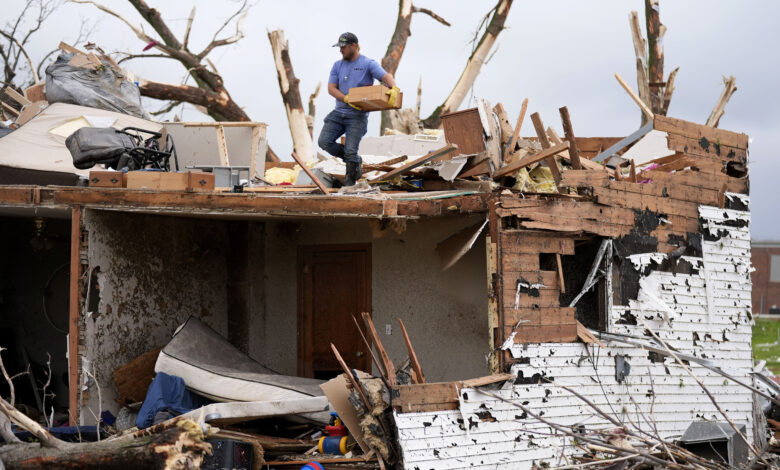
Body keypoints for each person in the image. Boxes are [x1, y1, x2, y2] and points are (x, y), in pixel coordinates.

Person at [318, 32, 399, 186]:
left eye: (343, 47)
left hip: (357, 116)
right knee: (324, 142)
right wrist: (346, 98)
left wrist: (394, 88)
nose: (340, 50)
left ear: (354, 46)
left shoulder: (368, 63)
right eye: (339, 47)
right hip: (339, 112)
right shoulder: (337, 65)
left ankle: (349, 184)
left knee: (350, 150)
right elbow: (331, 88)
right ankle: (355, 160)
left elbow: (385, 76)